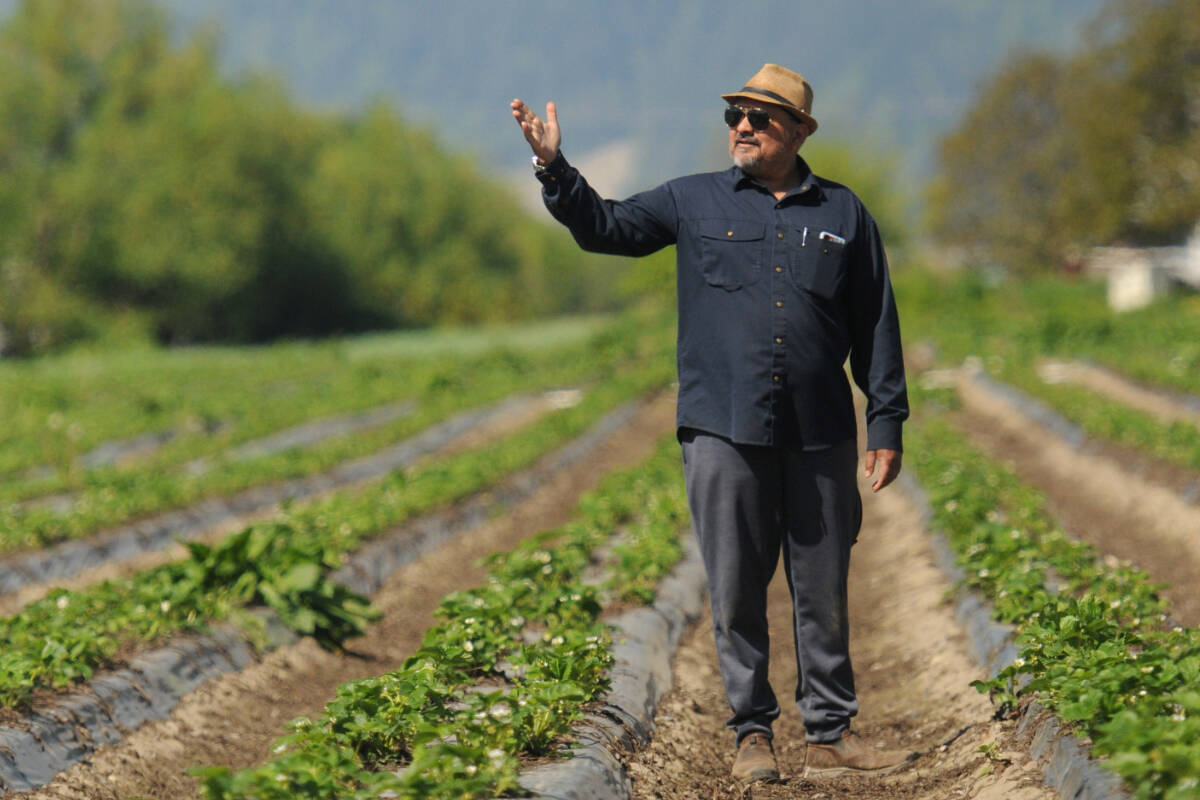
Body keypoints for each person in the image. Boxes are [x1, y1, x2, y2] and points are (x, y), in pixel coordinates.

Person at [511, 63, 911, 783]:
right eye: (735, 115)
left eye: (760, 117)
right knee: (735, 589)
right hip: (722, 430)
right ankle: (751, 734)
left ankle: (830, 733)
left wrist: (886, 422)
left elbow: (876, 324)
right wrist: (554, 167)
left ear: (800, 131)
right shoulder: (690, 200)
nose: (743, 127)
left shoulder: (845, 215)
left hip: (820, 433)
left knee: (822, 590)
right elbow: (606, 227)